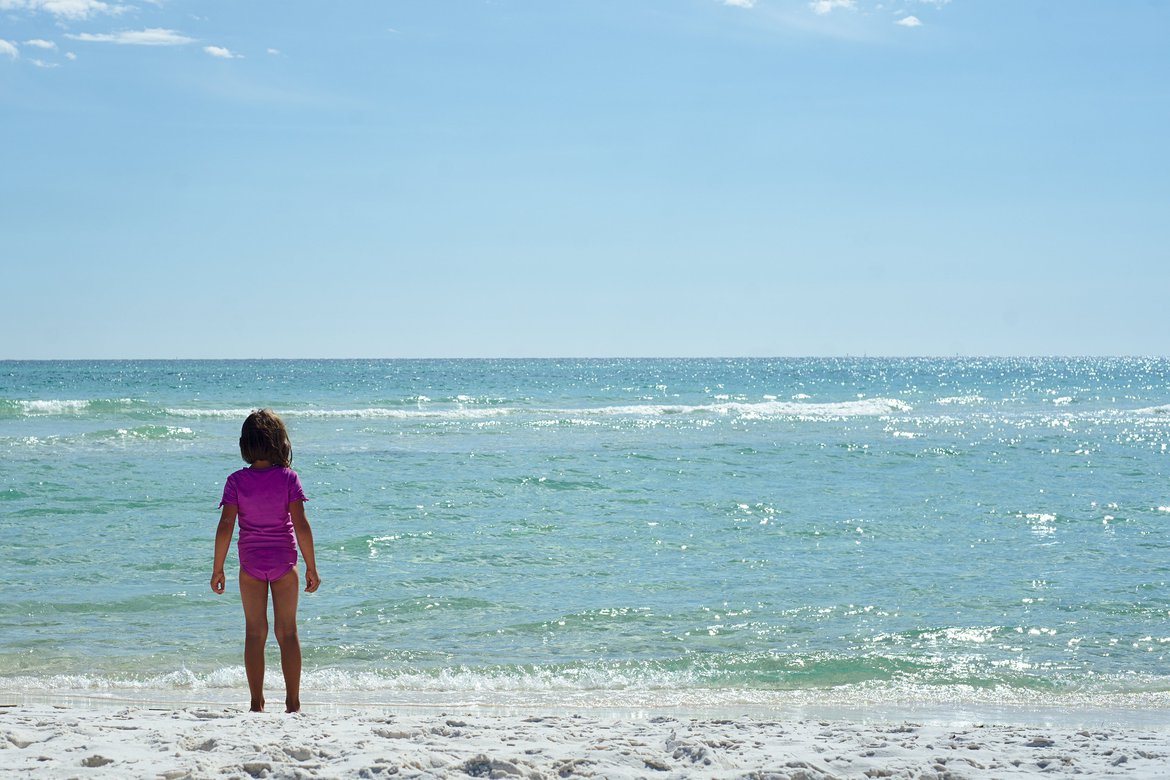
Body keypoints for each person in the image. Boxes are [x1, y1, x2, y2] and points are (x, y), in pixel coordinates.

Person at [211, 409, 321, 713]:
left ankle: (256, 702)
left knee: (255, 633)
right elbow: (301, 524)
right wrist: (311, 566)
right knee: (287, 632)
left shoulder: (236, 481)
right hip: (285, 563)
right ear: (279, 442)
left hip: (250, 566)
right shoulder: (288, 478)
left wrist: (218, 567)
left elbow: (225, 527)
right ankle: (292, 702)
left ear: (245, 444)